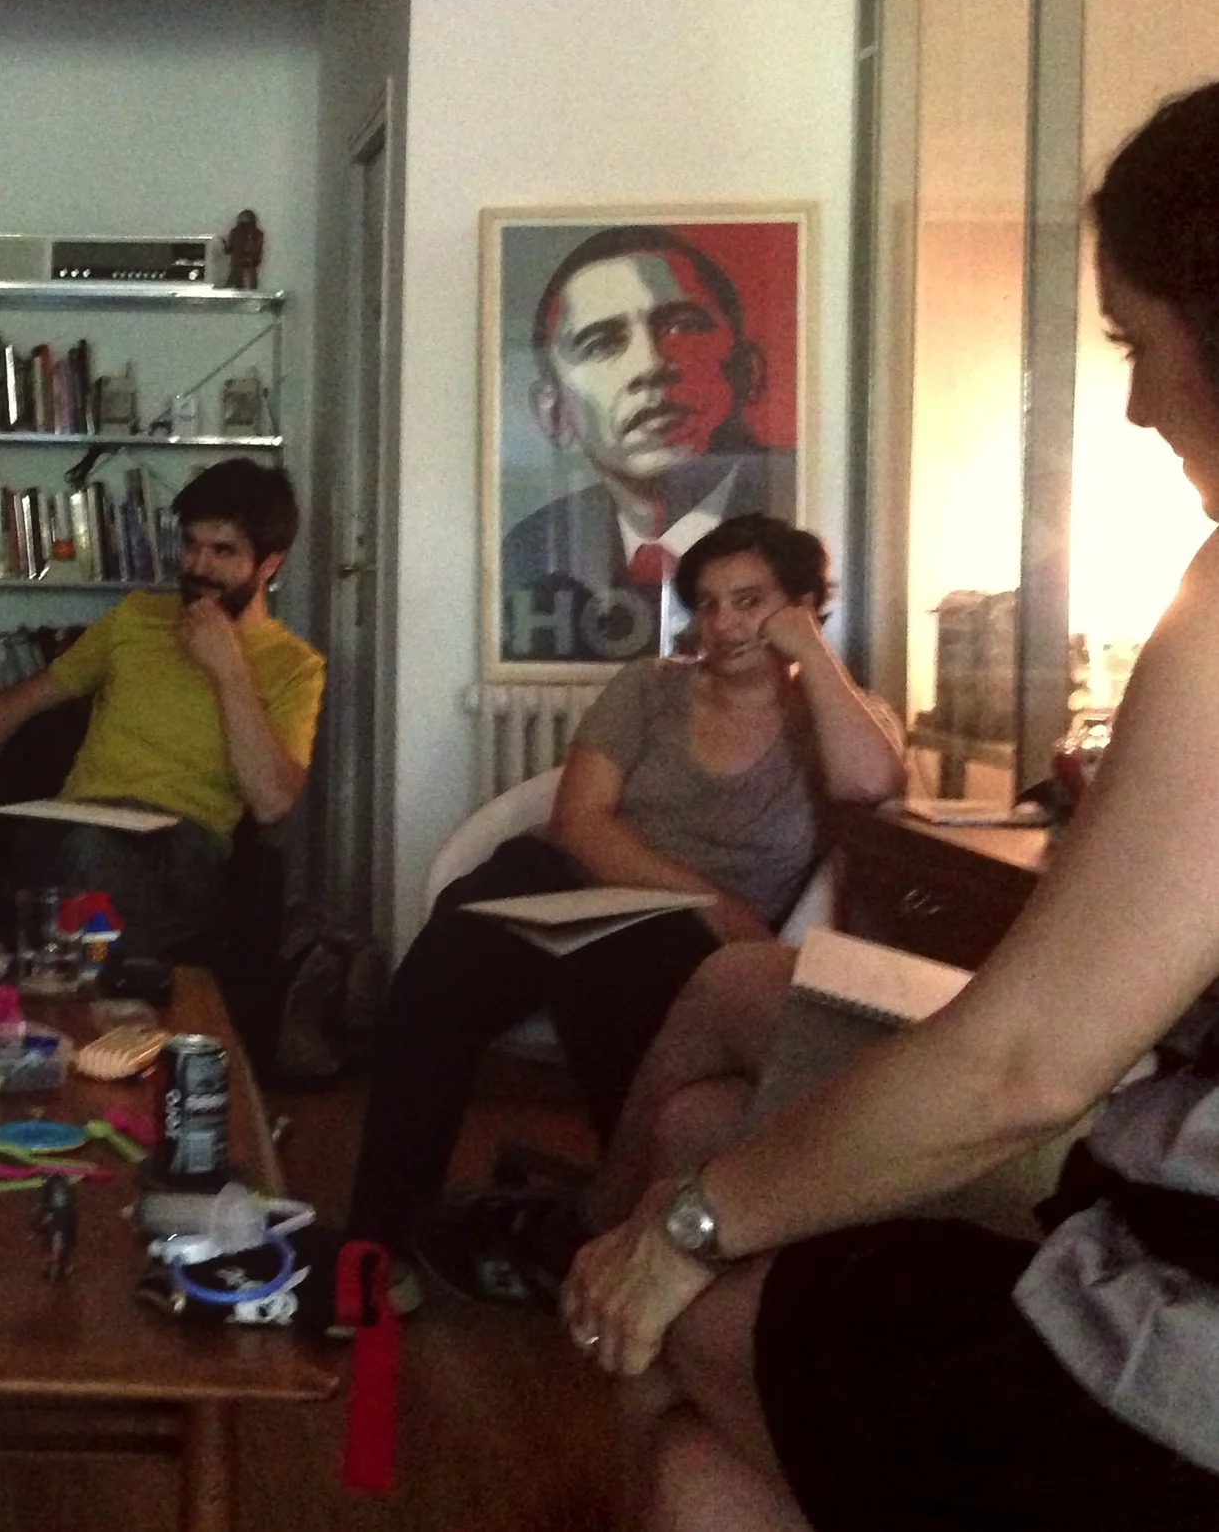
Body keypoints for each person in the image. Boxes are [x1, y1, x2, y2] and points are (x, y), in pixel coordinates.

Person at [561, 83, 1219, 1532]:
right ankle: (617, 1230)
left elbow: (1025, 1064)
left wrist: (691, 1229)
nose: (1131, 401)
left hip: (1175, 1354)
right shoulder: (647, 690)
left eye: (1134, 341)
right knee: (701, 1412)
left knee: (680, 1309)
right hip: (1135, 1211)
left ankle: (611, 1248)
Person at [349, 514, 902, 1309]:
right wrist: (714, 901)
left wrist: (810, 652)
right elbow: (580, 821)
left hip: (669, 940)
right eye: (707, 603)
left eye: (749, 601)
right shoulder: (649, 688)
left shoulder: (837, 715)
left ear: (804, 606)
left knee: (612, 980)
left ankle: (619, 1247)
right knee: (440, 972)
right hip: (569, 881)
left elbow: (870, 783)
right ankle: (376, 1246)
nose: (722, 624)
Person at [0, 457, 325, 959]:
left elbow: (271, 801)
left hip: (180, 842)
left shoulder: (295, 666)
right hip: (76, 825)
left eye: (222, 551)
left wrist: (228, 668)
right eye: (191, 544)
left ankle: (47, 961)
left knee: (85, 866)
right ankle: (92, 969)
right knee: (70, 846)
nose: (197, 566)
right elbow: (38, 692)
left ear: (270, 563)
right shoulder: (136, 618)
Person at [501, 228, 797, 664]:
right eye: (601, 343)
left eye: (682, 326)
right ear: (555, 412)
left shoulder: (799, 505)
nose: (650, 365)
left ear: (747, 372)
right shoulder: (532, 546)